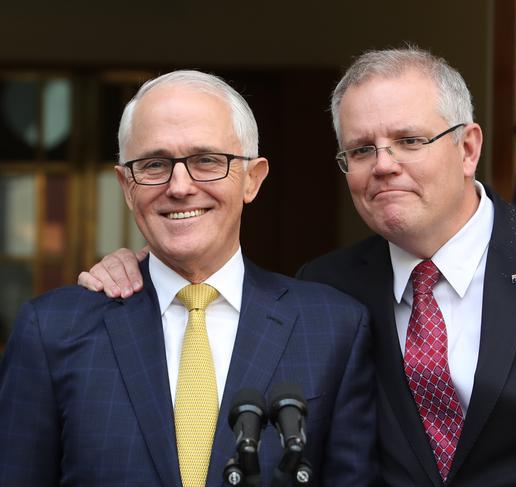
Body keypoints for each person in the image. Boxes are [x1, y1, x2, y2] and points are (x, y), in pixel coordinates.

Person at [78, 48, 516, 486]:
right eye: (360, 150)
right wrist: (146, 265)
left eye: (408, 140)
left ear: (468, 146)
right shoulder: (325, 291)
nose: (384, 165)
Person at [0, 70, 379, 486]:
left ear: (252, 178)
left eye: (206, 161)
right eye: (155, 164)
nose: (180, 186)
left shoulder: (333, 327)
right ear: (126, 186)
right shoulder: (52, 330)